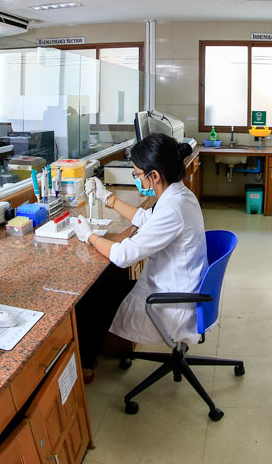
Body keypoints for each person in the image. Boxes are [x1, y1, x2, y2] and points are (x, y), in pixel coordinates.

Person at [73, 133, 207, 380]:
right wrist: (108, 198)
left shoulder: (172, 208)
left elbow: (123, 255)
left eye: (137, 174)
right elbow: (147, 219)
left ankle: (84, 365)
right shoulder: (180, 195)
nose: (136, 178)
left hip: (171, 301)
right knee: (106, 286)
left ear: (154, 176)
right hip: (179, 286)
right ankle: (90, 357)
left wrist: (88, 236)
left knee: (92, 297)